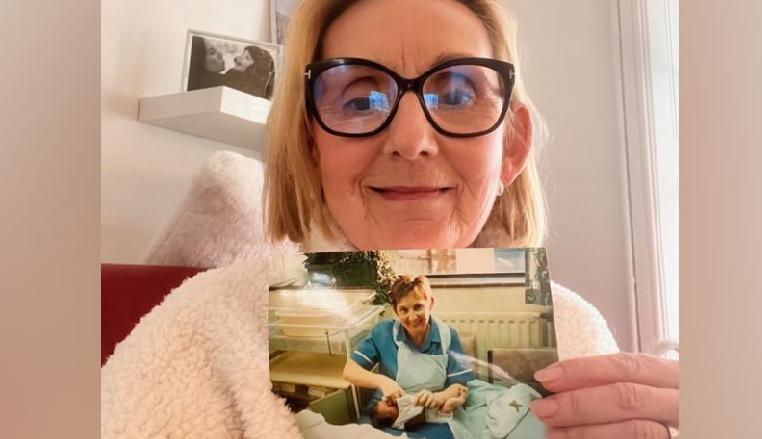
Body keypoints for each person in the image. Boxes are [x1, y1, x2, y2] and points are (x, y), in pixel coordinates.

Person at [101, 1, 679, 438]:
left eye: (455, 94)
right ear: (311, 146)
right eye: (360, 99)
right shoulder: (201, 329)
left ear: (511, 147)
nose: (410, 140)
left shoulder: (575, 330)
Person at [342, 275, 473, 435]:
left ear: (430, 303)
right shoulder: (383, 333)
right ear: (396, 309)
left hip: (430, 412)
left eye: (418, 307)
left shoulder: (448, 336)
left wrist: (440, 397)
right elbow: (349, 371)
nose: (412, 317)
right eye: (404, 309)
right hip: (388, 409)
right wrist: (383, 382)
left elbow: (460, 385)